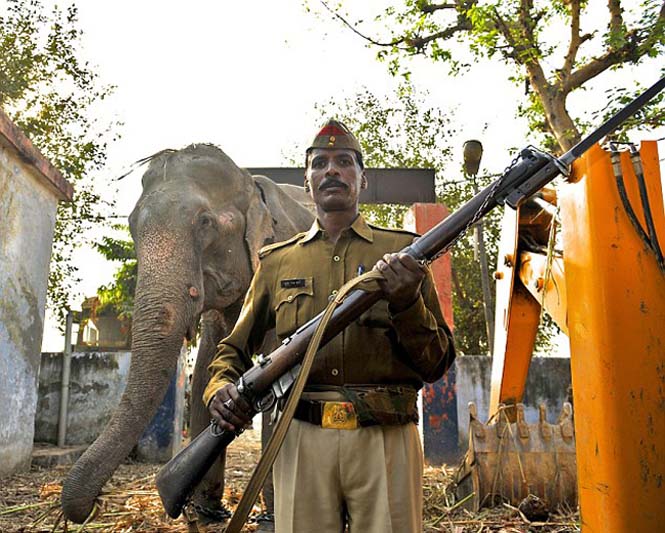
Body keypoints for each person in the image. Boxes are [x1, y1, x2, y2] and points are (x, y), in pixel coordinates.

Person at [203, 119, 455, 532]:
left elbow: (436, 363)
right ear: (308, 183)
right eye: (320, 163)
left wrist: (407, 301)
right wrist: (219, 389)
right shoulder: (277, 261)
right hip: (301, 436)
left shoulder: (404, 254)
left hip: (386, 438)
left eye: (344, 162)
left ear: (363, 179)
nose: (331, 170)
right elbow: (232, 350)